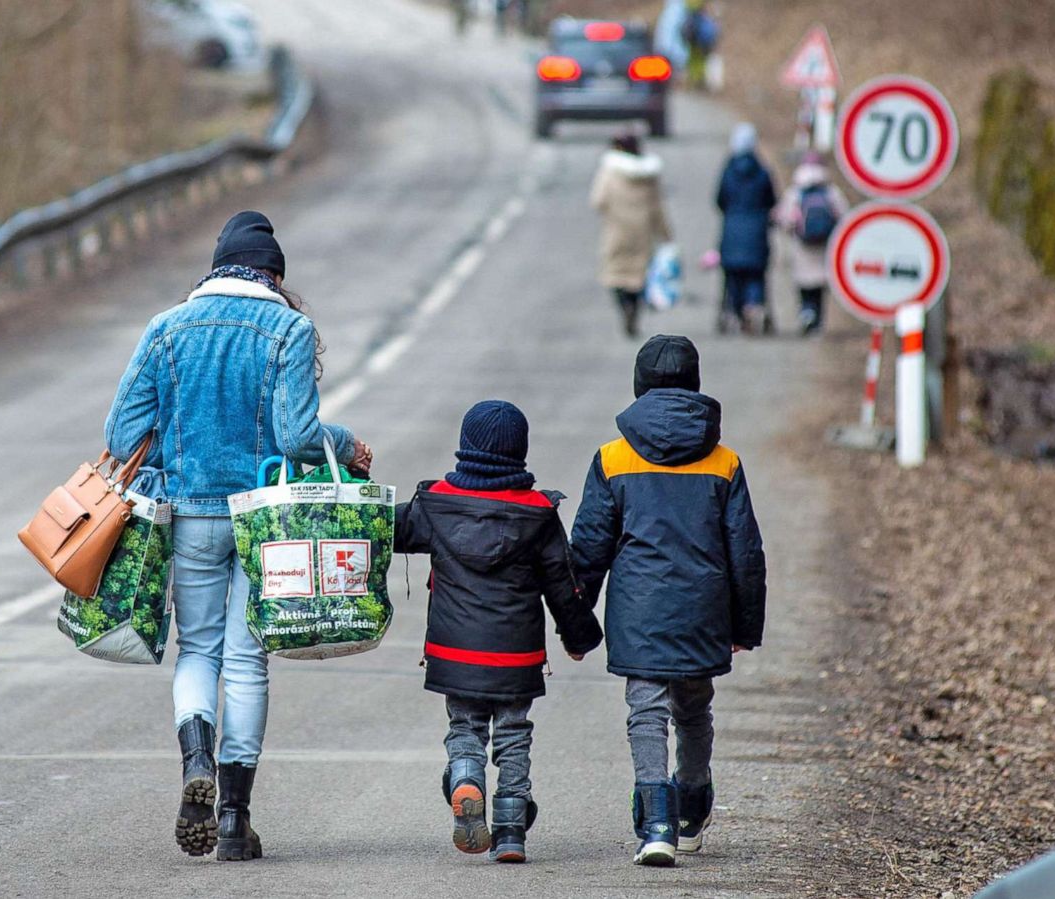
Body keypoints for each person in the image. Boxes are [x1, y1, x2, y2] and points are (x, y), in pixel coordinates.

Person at [104, 210, 371, 863]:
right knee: (248, 659)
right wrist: (345, 445)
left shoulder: (165, 329)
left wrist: (174, 452)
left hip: (190, 513)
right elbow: (299, 439)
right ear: (274, 274)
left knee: (197, 650)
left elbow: (119, 437)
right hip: (264, 521)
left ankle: (195, 754)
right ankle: (232, 819)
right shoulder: (289, 328)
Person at [569, 335, 767, 867]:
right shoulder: (724, 461)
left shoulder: (613, 457)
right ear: (695, 385)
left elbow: (589, 547)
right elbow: (745, 550)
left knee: (647, 711)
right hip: (705, 607)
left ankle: (655, 822)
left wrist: (575, 621)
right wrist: (745, 626)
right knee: (694, 708)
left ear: (639, 385)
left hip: (640, 608)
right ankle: (692, 807)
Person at [394, 400, 604, 864]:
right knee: (513, 734)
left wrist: (341, 497)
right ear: (520, 452)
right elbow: (562, 585)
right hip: (516, 656)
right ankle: (510, 831)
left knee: (465, 726)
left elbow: (387, 529)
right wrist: (580, 637)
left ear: (465, 447)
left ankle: (467, 778)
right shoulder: (538, 513)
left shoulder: (436, 503)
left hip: (454, 652)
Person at [591, 133, 674, 338]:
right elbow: (657, 207)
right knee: (639, 276)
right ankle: (634, 311)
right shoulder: (649, 175)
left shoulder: (609, 172)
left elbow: (598, 200)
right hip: (643, 233)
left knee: (617, 275)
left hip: (617, 232)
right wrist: (666, 235)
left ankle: (624, 308)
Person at [773, 152, 848, 335]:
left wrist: (791, 229)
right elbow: (844, 216)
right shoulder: (831, 191)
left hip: (802, 246)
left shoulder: (796, 192)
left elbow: (785, 218)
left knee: (804, 283)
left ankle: (806, 312)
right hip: (824, 246)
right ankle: (817, 322)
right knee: (819, 286)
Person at [715, 123, 778, 335]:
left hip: (732, 231)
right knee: (755, 275)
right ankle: (754, 306)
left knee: (733, 277)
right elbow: (772, 200)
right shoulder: (762, 171)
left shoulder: (728, 171)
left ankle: (736, 311)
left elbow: (719, 200)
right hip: (757, 232)